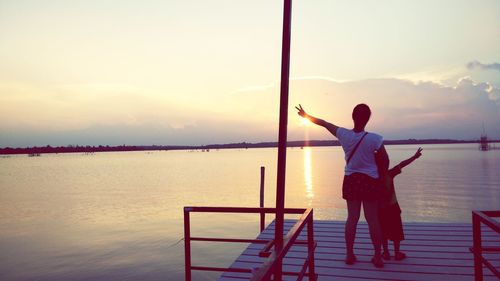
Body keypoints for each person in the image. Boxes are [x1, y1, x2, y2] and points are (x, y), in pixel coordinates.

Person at [295, 103, 388, 268]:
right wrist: (380, 178)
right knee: (373, 220)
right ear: (368, 118)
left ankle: (349, 254)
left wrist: (306, 115)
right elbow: (385, 161)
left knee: (352, 219)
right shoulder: (375, 138)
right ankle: (377, 257)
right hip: (370, 181)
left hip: (351, 180)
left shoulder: (344, 134)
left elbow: (324, 123)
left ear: (353, 117)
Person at [379, 147, 423, 261]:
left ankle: (386, 253)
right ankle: (397, 253)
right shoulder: (389, 173)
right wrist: (414, 157)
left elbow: (402, 164)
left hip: (380, 208)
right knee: (396, 230)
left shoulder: (373, 177)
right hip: (392, 207)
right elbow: (402, 164)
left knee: (383, 230)